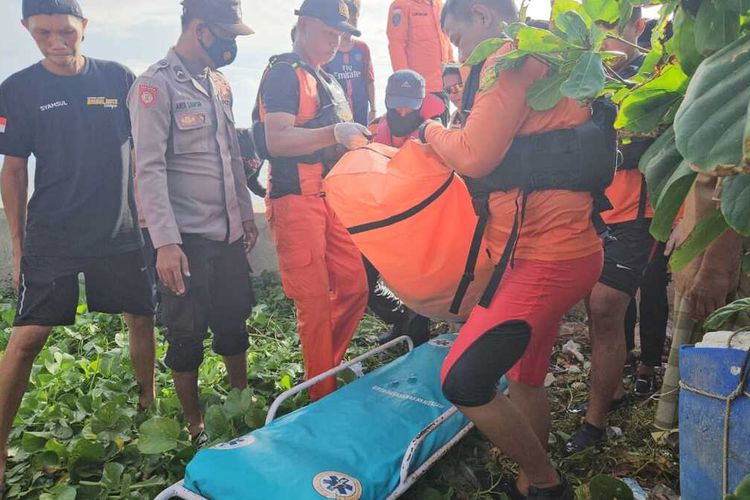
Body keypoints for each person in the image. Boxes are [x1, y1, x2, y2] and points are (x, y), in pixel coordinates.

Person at [422, 1, 608, 497]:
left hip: (546, 257)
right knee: (527, 376)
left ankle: (548, 485)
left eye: (459, 39)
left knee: (462, 378)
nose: (463, 56)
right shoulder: (550, 53)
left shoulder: (510, 58)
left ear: (482, 16)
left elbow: (474, 156)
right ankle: (530, 482)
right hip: (564, 251)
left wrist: (429, 131)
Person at [0, 0, 156, 490]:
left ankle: (148, 406)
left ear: (84, 27)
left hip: (120, 231)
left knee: (141, 319)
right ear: (27, 30)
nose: (56, 42)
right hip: (53, 235)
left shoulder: (117, 78)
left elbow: (145, 153)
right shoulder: (18, 89)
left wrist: (152, 223)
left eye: (65, 31)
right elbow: (14, 169)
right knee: (26, 339)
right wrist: (19, 246)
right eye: (43, 33)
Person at [128, 0, 257, 443]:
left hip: (227, 233)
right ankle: (194, 422)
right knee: (186, 333)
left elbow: (231, 157)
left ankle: (242, 404)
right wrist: (164, 242)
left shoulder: (219, 84)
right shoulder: (155, 86)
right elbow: (147, 168)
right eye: (228, 34)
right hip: (185, 241)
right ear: (200, 29)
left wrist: (243, 213)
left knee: (233, 319)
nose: (232, 44)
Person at [254, 0, 369, 401]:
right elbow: (277, 139)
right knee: (315, 305)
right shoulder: (283, 74)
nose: (336, 39)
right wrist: (335, 133)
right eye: (328, 30)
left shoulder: (326, 77)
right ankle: (322, 395)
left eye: (341, 33)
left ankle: (324, 366)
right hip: (294, 199)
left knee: (355, 285)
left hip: (329, 195)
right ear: (303, 25)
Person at [563, 9, 652, 455]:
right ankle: (612, 389)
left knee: (604, 307)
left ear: (637, 27)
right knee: (592, 302)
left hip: (636, 209)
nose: (602, 40)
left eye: (612, 29)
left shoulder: (656, 75)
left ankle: (595, 422)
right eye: (597, 28)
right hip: (590, 207)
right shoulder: (581, 78)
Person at [654, 174, 748, 430]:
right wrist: (685, 223)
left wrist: (715, 268)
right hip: (703, 242)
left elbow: (738, 189)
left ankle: (709, 437)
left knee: (725, 362)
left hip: (722, 258)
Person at [387, 0, 454, 123]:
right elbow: (396, 45)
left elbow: (446, 43)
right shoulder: (401, 5)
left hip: (442, 90)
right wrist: (406, 87)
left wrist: (455, 78)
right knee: (417, 139)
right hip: (417, 96)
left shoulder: (439, 5)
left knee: (440, 136)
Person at [323, 0, 376, 126]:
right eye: (349, 21)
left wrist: (373, 108)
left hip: (361, 111)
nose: (352, 25)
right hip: (337, 114)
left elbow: (369, 80)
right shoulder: (329, 49)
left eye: (355, 21)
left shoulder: (362, 48)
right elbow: (323, 85)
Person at [372, 69, 446, 148]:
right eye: (398, 106)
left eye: (410, 107)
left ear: (421, 103)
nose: (403, 113)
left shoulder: (434, 133)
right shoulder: (374, 128)